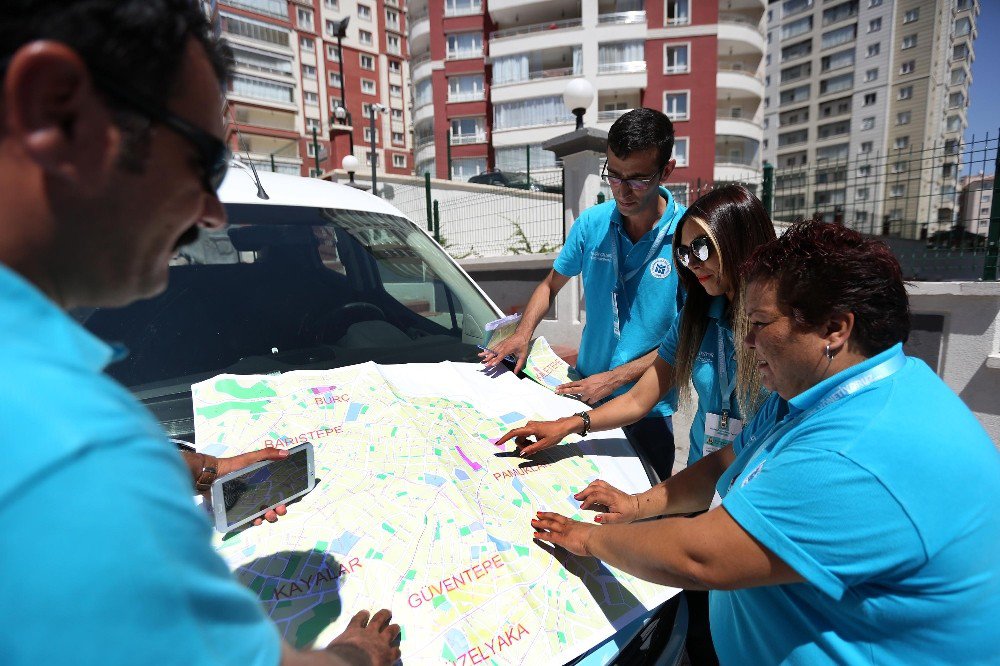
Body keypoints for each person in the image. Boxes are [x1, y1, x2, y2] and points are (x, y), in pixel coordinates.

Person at [0, 2, 398, 664]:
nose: (214, 214)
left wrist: (204, 468)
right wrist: (359, 655)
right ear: (53, 108)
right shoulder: (80, 453)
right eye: (206, 163)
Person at [528, 220, 1000, 664]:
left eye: (760, 324)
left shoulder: (859, 446)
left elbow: (701, 557)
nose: (747, 341)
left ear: (835, 329)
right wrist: (636, 507)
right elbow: (724, 463)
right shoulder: (815, 391)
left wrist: (589, 538)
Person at [496, 184, 775, 664]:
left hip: (757, 507)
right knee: (697, 625)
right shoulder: (697, 312)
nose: (692, 262)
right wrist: (573, 424)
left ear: (741, 243)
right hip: (700, 490)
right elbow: (645, 394)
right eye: (684, 251)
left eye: (703, 248)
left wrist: (620, 521)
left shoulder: (776, 329)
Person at [482, 108, 686, 480]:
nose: (622, 191)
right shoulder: (592, 223)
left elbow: (689, 336)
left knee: (640, 520)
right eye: (615, 175)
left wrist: (613, 379)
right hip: (582, 394)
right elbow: (549, 285)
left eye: (638, 180)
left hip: (647, 412)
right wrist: (522, 334)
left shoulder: (687, 237)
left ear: (666, 171)